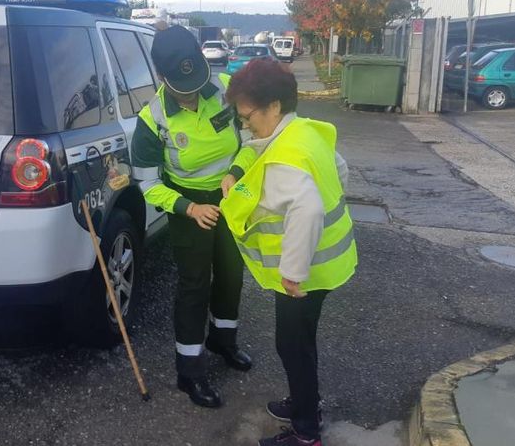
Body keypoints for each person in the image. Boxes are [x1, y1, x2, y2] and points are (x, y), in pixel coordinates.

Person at [219, 58, 358, 446]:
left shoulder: (285, 158)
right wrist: (236, 178)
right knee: (302, 342)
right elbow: (338, 171)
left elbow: (307, 208)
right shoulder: (303, 133)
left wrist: (292, 271)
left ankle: (305, 432)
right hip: (326, 265)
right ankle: (304, 403)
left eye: (248, 115)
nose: (245, 124)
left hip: (303, 275)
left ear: (274, 106)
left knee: (292, 346)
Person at [131, 26, 256, 408]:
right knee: (194, 286)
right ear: (162, 76)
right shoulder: (152, 119)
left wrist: (235, 171)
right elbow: (147, 184)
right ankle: (190, 372)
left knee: (233, 274)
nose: (192, 91)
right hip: (187, 207)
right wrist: (188, 208)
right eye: (182, 85)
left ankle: (224, 341)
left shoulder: (225, 87)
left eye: (195, 79)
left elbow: (254, 137)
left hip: (231, 197)